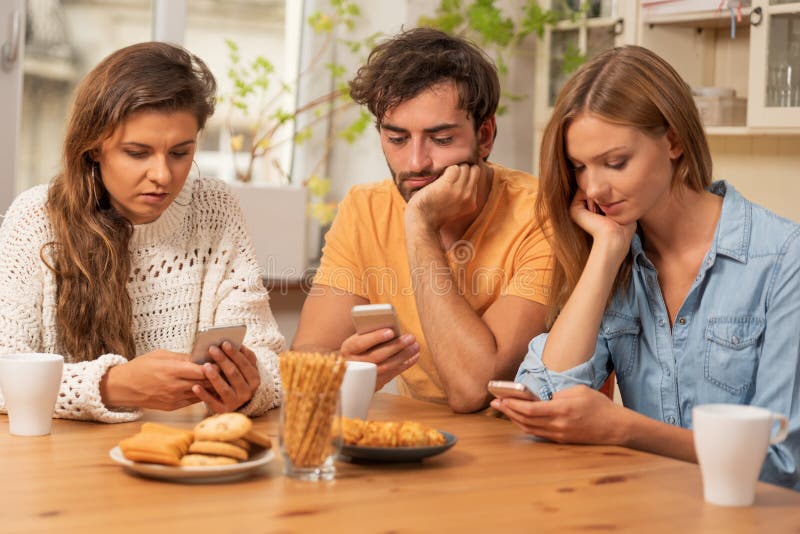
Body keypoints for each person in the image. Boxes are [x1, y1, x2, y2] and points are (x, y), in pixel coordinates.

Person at [492, 45, 800, 490]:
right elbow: (545, 396)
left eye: (616, 162)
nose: (594, 187)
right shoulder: (615, 254)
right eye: (580, 167)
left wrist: (624, 428)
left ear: (673, 140)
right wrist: (604, 255)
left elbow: (781, 464)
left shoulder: (783, 259)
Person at [0, 42, 284, 423]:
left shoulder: (215, 210)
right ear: (94, 148)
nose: (163, 176)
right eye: (138, 153)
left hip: (181, 462)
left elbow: (271, 361)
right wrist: (112, 386)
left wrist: (248, 388)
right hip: (66, 470)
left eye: (180, 153)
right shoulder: (36, 219)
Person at [292, 28, 553, 413]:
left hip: (523, 443)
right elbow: (305, 365)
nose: (416, 163)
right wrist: (345, 368)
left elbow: (474, 390)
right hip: (426, 437)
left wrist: (420, 224)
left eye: (441, 139)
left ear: (485, 135)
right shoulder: (365, 208)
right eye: (397, 139)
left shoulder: (542, 214)